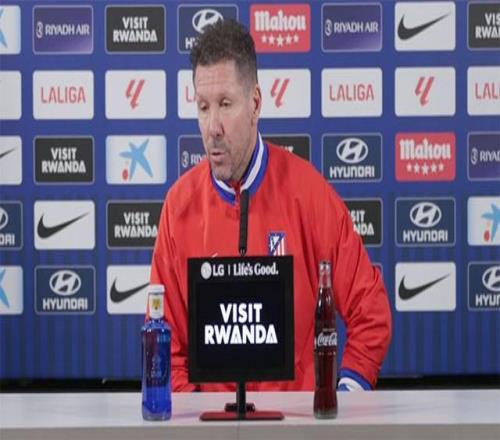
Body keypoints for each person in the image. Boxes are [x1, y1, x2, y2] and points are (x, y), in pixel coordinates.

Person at [150, 19, 391, 392]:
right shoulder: (179, 206)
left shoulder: (307, 193)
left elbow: (370, 312)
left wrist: (344, 397)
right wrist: (193, 414)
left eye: (225, 104)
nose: (212, 126)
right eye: (203, 107)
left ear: (255, 104)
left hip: (297, 421)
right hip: (208, 421)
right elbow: (168, 345)